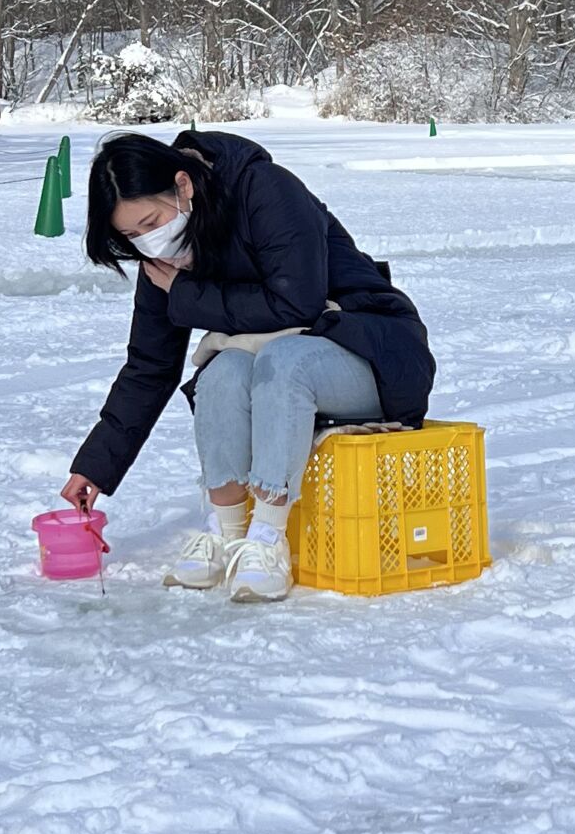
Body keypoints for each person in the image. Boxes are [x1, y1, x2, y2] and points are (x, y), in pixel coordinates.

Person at [60, 129, 435, 602]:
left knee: (283, 357)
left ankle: (268, 538)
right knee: (223, 370)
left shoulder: (267, 190)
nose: (148, 244)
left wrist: (185, 293)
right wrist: (95, 467)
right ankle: (226, 530)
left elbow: (297, 303)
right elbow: (150, 366)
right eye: (131, 236)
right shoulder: (162, 260)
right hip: (277, 375)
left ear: (183, 185)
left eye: (151, 222)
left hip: (375, 356)